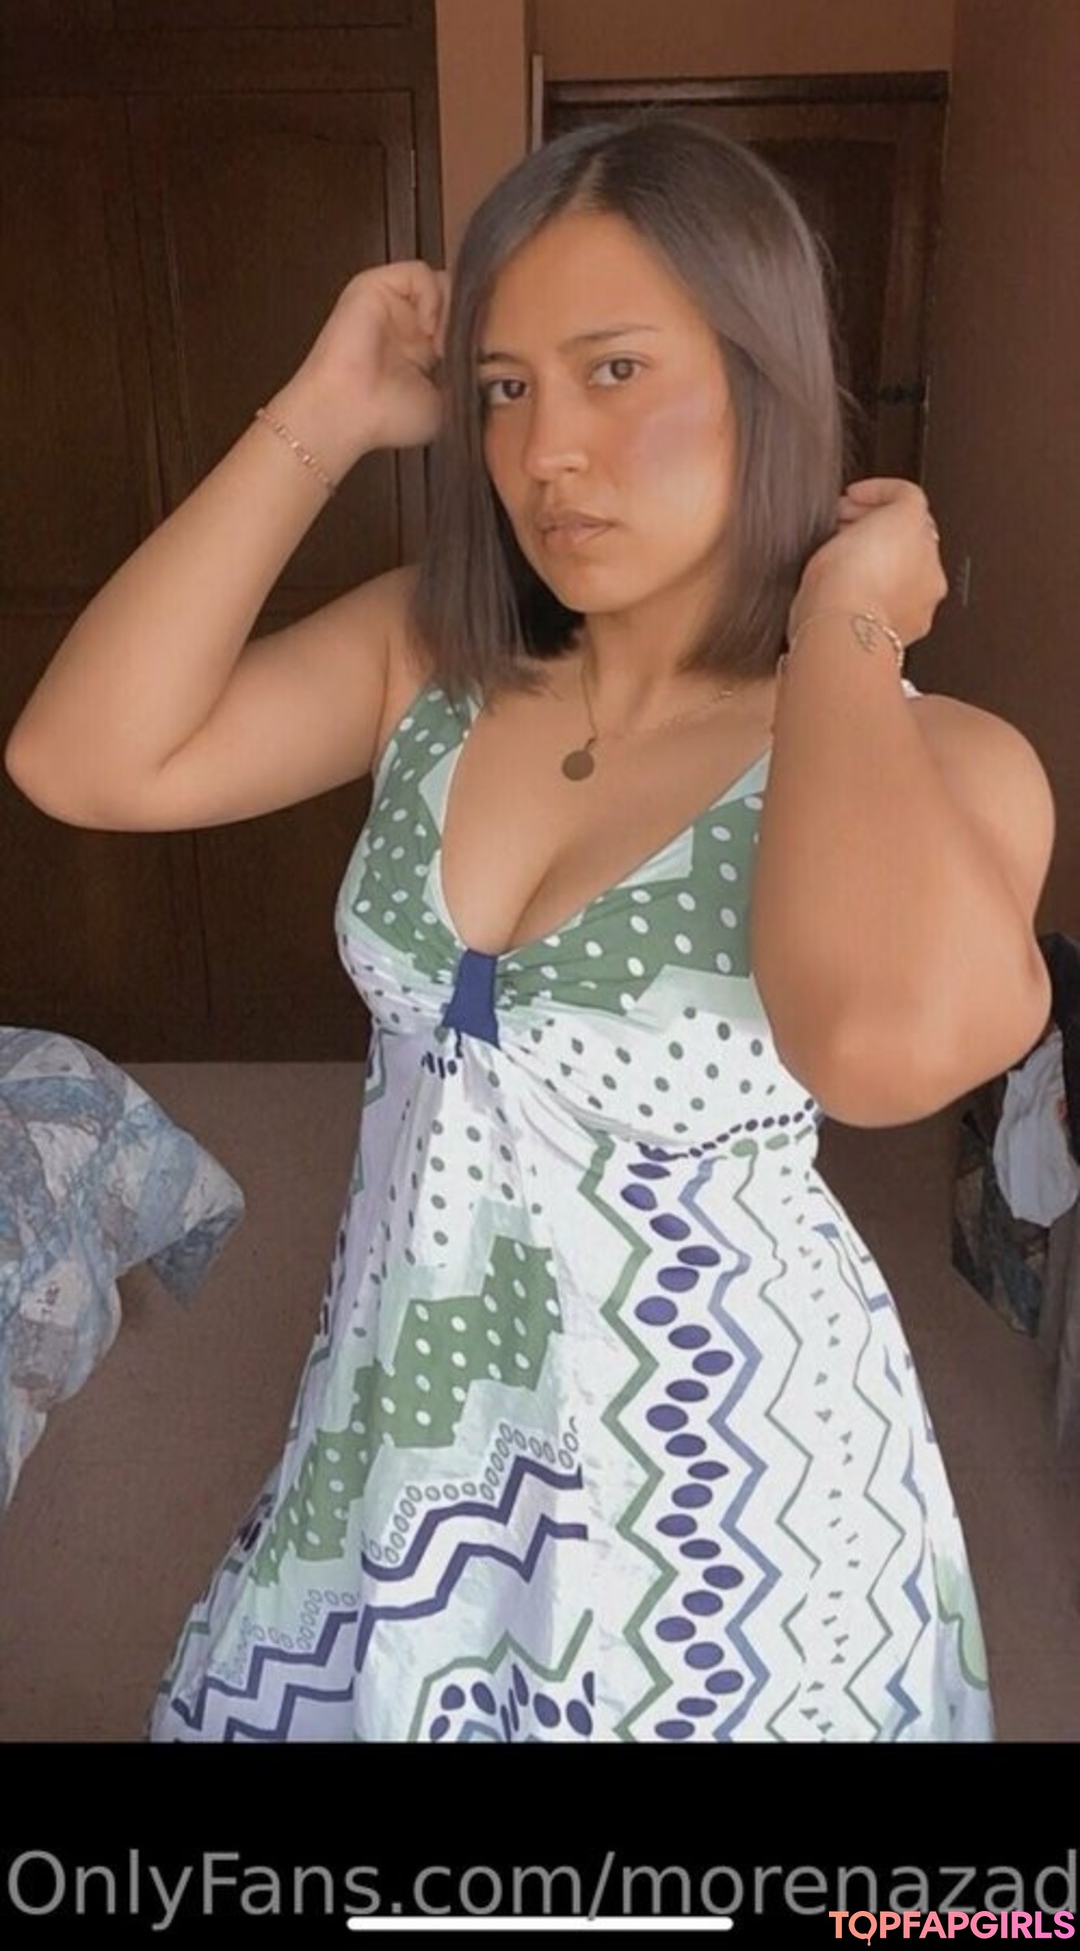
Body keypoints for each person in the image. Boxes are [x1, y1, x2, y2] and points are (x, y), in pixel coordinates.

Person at [5, 117, 1055, 1743]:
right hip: (403, 1407)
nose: (547, 449)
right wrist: (327, 410)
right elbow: (81, 760)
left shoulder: (938, 759)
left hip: (730, 1499)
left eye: (616, 370)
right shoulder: (432, 662)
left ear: (766, 381)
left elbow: (879, 1051)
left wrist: (846, 622)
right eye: (504, 387)